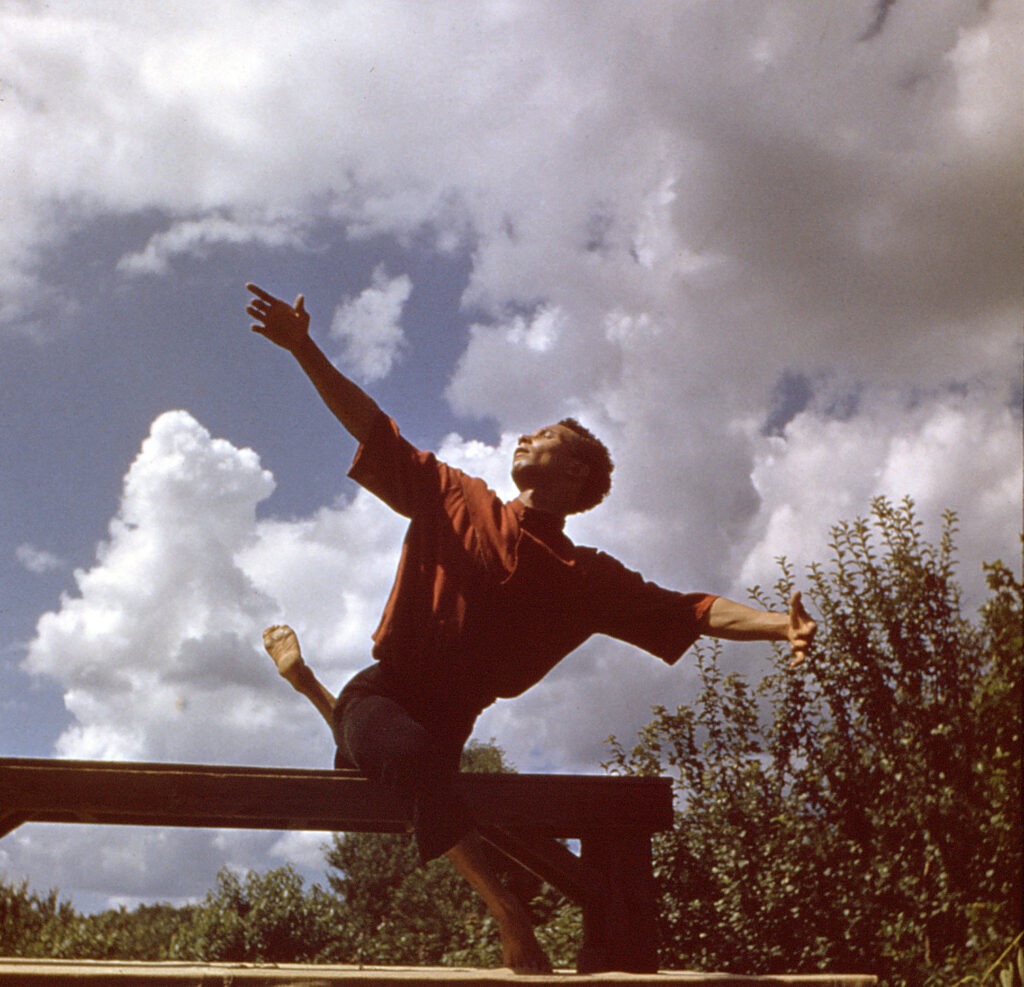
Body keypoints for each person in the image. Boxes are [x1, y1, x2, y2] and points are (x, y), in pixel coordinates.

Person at [245, 282, 817, 972]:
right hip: (385, 689)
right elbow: (371, 426)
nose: (523, 437)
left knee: (408, 764)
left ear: (577, 471)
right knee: (404, 753)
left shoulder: (584, 574)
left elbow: (688, 609)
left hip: (451, 715)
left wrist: (776, 627)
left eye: (544, 435)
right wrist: (304, 348)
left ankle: (306, 684)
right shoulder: (455, 495)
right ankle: (508, 914)